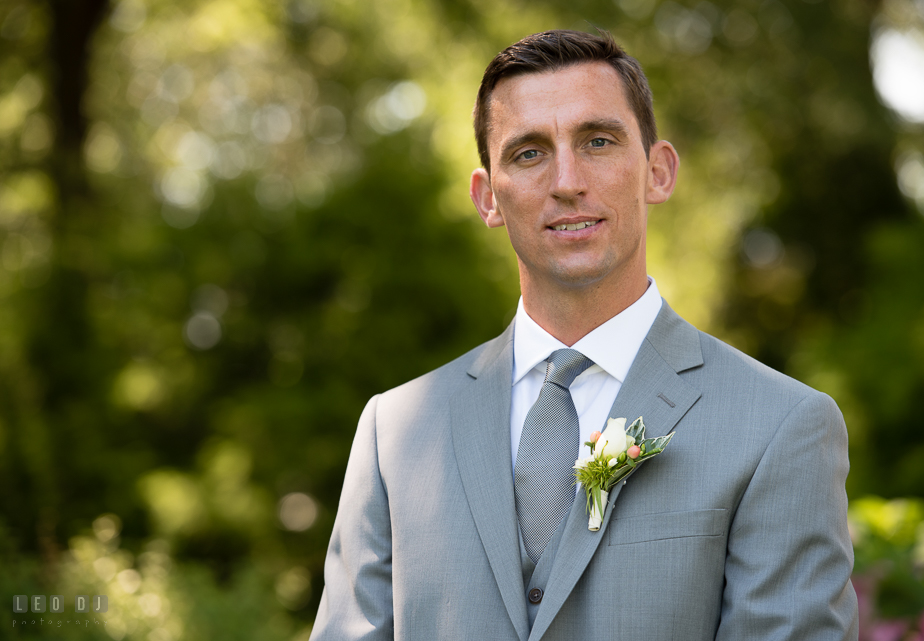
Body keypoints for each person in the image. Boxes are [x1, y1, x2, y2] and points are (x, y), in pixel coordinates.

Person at [310, 29, 858, 641]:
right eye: (528, 153)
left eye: (598, 141)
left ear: (658, 171)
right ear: (488, 197)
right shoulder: (395, 431)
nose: (567, 180)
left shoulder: (780, 426)